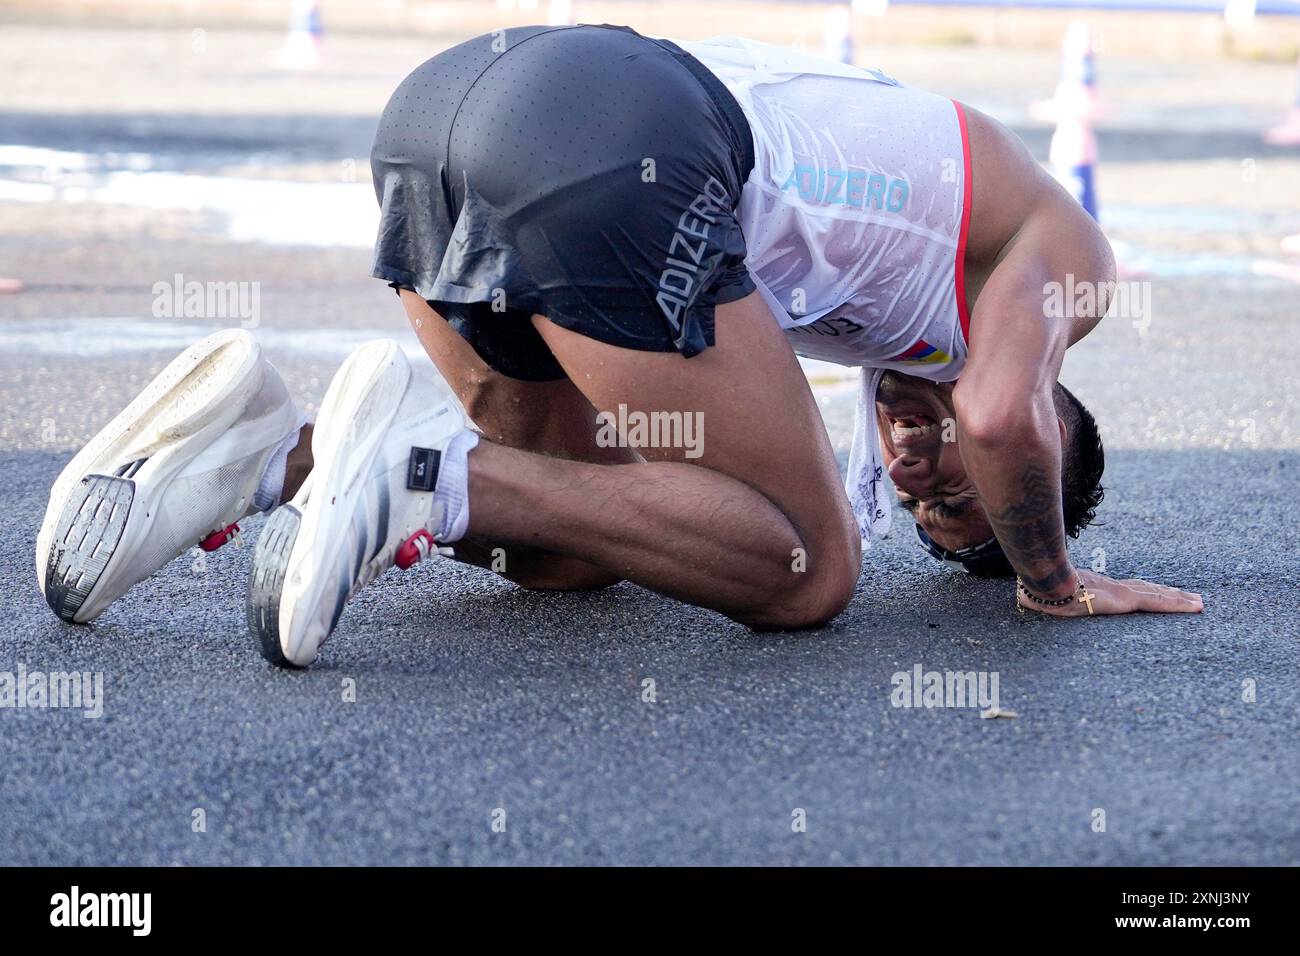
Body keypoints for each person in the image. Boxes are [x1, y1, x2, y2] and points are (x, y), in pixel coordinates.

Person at [35, 25, 1200, 668]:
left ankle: (261, 450)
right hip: (607, 131)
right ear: (1058, 411)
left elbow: (679, 465)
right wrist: (1050, 582)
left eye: (934, 511)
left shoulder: (888, 307)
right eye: (973, 496)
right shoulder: (1068, 261)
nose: (924, 474)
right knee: (813, 570)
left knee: (576, 548)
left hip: (445, 114)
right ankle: (431, 466)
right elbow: (999, 416)